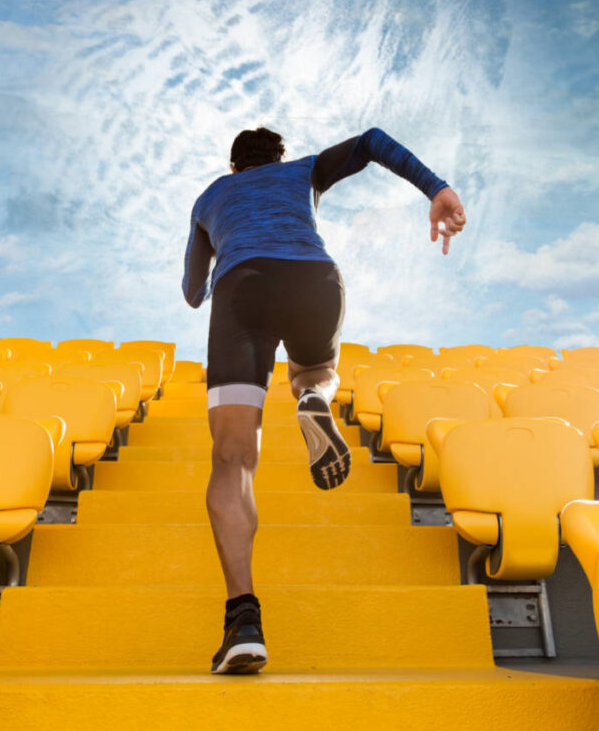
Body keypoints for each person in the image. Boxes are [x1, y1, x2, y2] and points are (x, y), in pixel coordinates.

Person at [182, 126, 466, 675]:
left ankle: (243, 621)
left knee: (232, 458)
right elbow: (371, 141)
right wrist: (437, 189)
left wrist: (218, 237)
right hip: (314, 279)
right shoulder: (303, 172)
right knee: (316, 369)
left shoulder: (211, 194)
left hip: (241, 287)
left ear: (235, 167)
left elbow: (195, 293)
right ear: (278, 159)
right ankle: (313, 395)